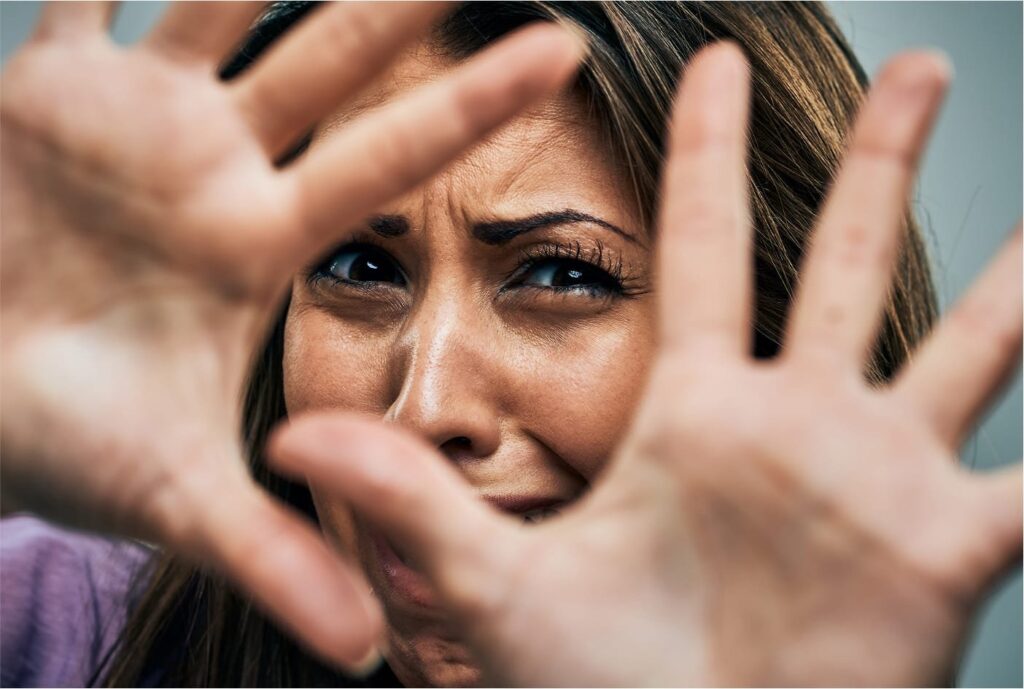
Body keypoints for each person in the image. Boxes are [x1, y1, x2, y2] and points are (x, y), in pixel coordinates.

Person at [1, 1, 1020, 686]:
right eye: (358, 268)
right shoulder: (62, 630)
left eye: (562, 275)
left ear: (781, 337)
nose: (423, 408)